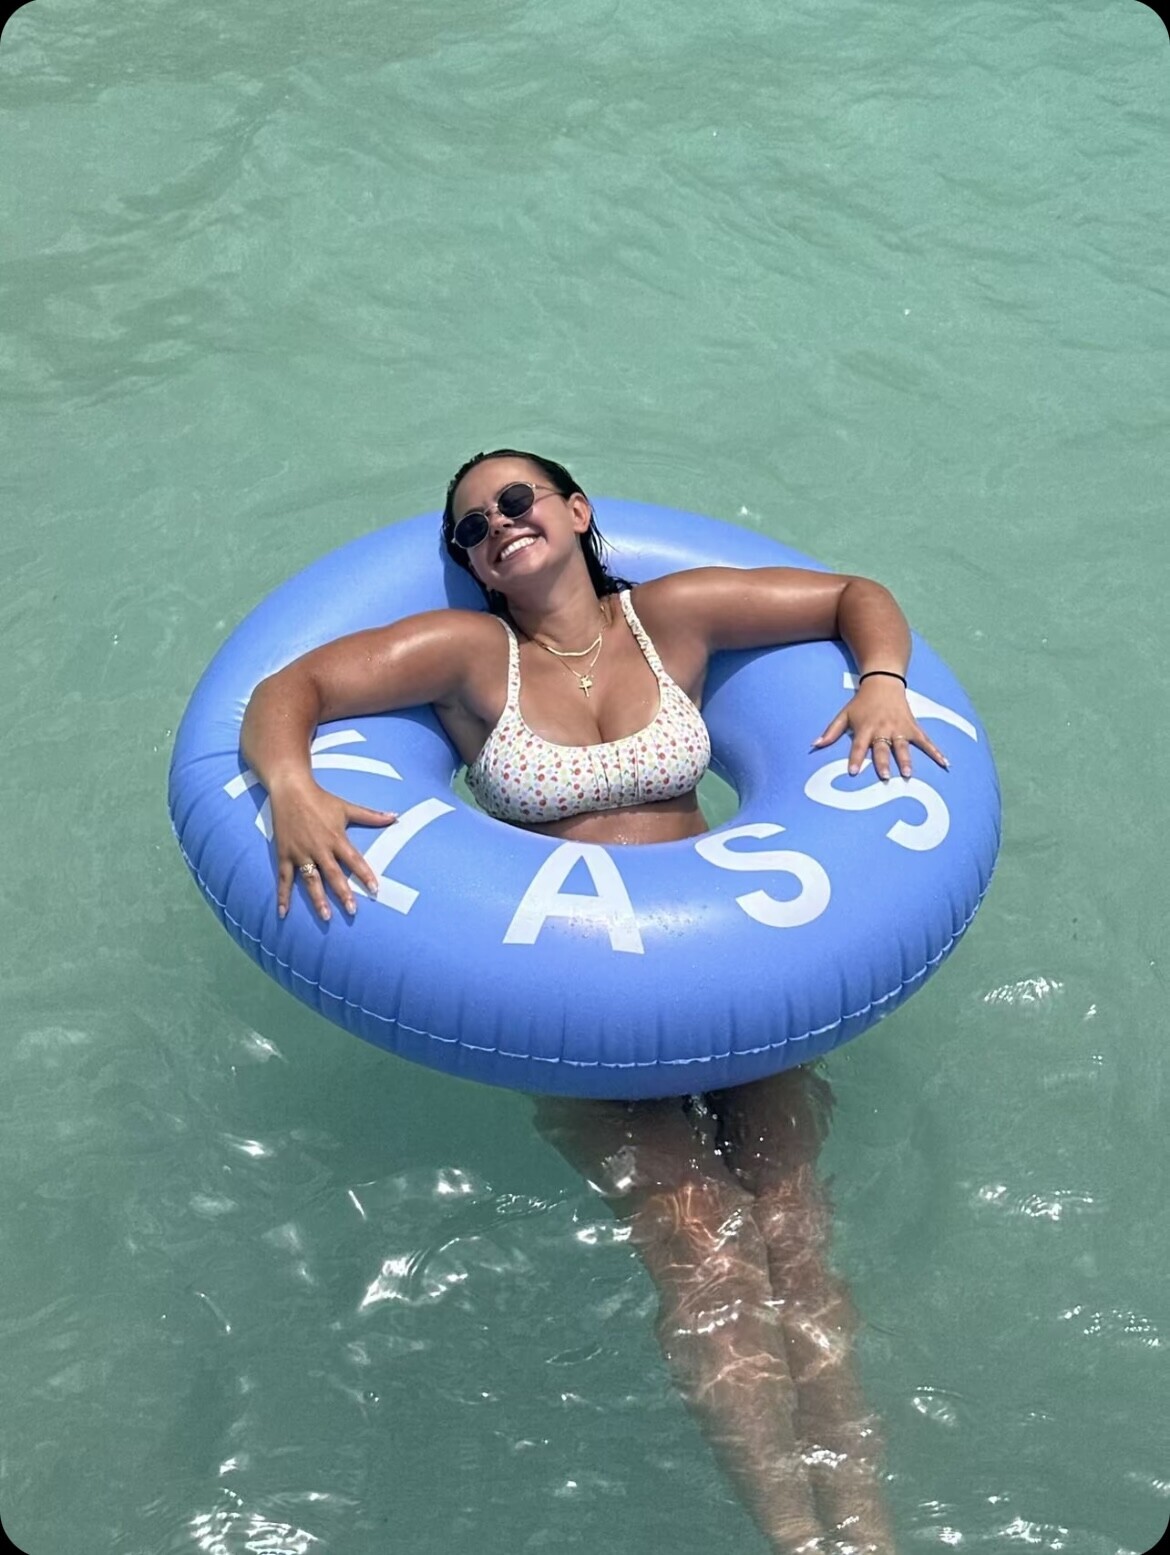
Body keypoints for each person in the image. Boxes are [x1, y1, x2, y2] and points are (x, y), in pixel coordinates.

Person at [241, 448, 948, 1554]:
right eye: (472, 526)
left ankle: (868, 1530)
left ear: (576, 511)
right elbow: (293, 690)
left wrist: (883, 681)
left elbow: (855, 595)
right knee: (704, 1255)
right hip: (580, 1010)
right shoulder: (472, 654)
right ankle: (794, 1539)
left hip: (728, 980)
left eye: (517, 501)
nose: (497, 526)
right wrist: (292, 785)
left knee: (796, 1239)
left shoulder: (674, 619)